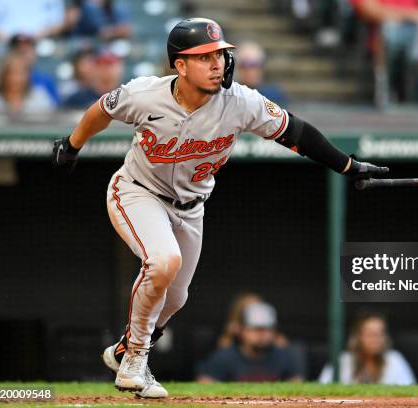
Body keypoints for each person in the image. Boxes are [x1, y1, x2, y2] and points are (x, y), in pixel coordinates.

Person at [50, 17, 390, 398]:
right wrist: (73, 144)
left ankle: (123, 350)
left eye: (221, 54)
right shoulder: (145, 94)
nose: (218, 63)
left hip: (192, 207)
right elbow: (103, 109)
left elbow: (296, 132)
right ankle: (135, 361)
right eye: (205, 57)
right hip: (137, 192)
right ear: (180, 65)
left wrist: (346, 164)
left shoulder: (240, 102)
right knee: (163, 262)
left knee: (176, 297)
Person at [197, 302, 303, 382]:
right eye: (256, 329)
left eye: (267, 329)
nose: (262, 335)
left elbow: (297, 387)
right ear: (242, 330)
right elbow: (204, 385)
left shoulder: (285, 357)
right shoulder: (223, 357)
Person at [318, 313, 416, 385]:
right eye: (369, 334)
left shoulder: (394, 359)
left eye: (379, 334)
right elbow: (322, 390)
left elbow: (411, 393)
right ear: (357, 337)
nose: (375, 339)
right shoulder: (343, 361)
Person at [0, 52, 56, 116]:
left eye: (22, 73)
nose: (17, 79)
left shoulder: (40, 97)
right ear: (4, 76)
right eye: (12, 73)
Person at [217, 292, 288, 349]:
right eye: (249, 307)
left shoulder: (267, 323)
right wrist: (230, 335)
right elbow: (223, 346)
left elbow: (282, 343)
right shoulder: (234, 325)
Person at [0, 0, 66, 42]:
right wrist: (8, 38)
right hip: (1, 45)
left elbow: (59, 22)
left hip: (41, 44)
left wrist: (32, 38)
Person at [235, 41, 288, 108]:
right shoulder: (229, 97)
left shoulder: (274, 95)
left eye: (254, 65)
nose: (250, 71)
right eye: (244, 65)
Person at [65, 0, 132, 40]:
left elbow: (126, 31)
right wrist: (116, 31)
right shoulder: (89, 8)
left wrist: (112, 31)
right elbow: (103, 33)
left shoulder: (118, 8)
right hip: (84, 45)